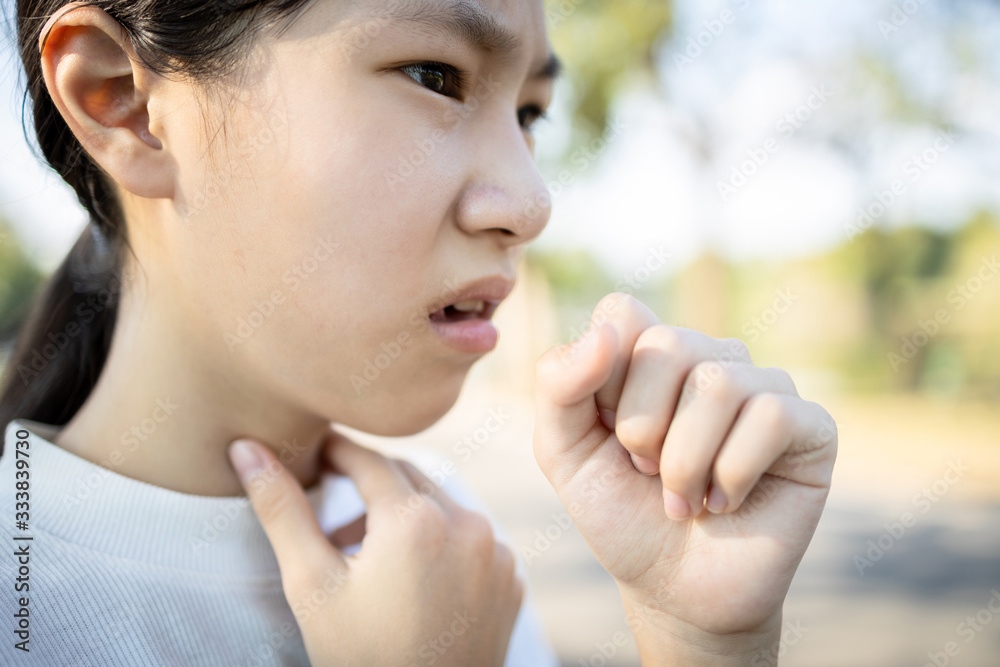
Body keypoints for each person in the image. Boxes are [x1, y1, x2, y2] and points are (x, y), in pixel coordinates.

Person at [0, 0, 838, 664]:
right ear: (123, 100)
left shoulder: (444, 540)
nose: (531, 201)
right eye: (437, 75)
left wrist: (698, 640)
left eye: (530, 112)